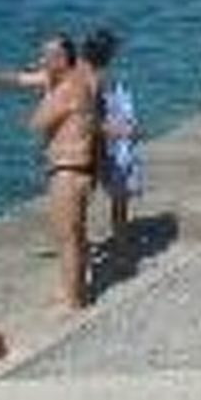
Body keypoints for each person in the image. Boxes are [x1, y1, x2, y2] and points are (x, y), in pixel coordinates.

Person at [0, 34, 98, 311]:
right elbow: (22, 79)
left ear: (61, 60)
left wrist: (45, 91)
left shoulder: (67, 89)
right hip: (78, 170)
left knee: (67, 239)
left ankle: (74, 303)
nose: (39, 61)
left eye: (46, 56)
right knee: (76, 236)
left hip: (67, 172)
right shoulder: (67, 80)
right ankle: (75, 290)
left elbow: (36, 124)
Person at [83, 29, 142, 253]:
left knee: (86, 203)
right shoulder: (98, 81)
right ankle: (121, 244)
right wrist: (123, 132)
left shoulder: (89, 77)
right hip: (109, 148)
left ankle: (105, 244)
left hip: (101, 148)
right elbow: (91, 120)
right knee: (119, 201)